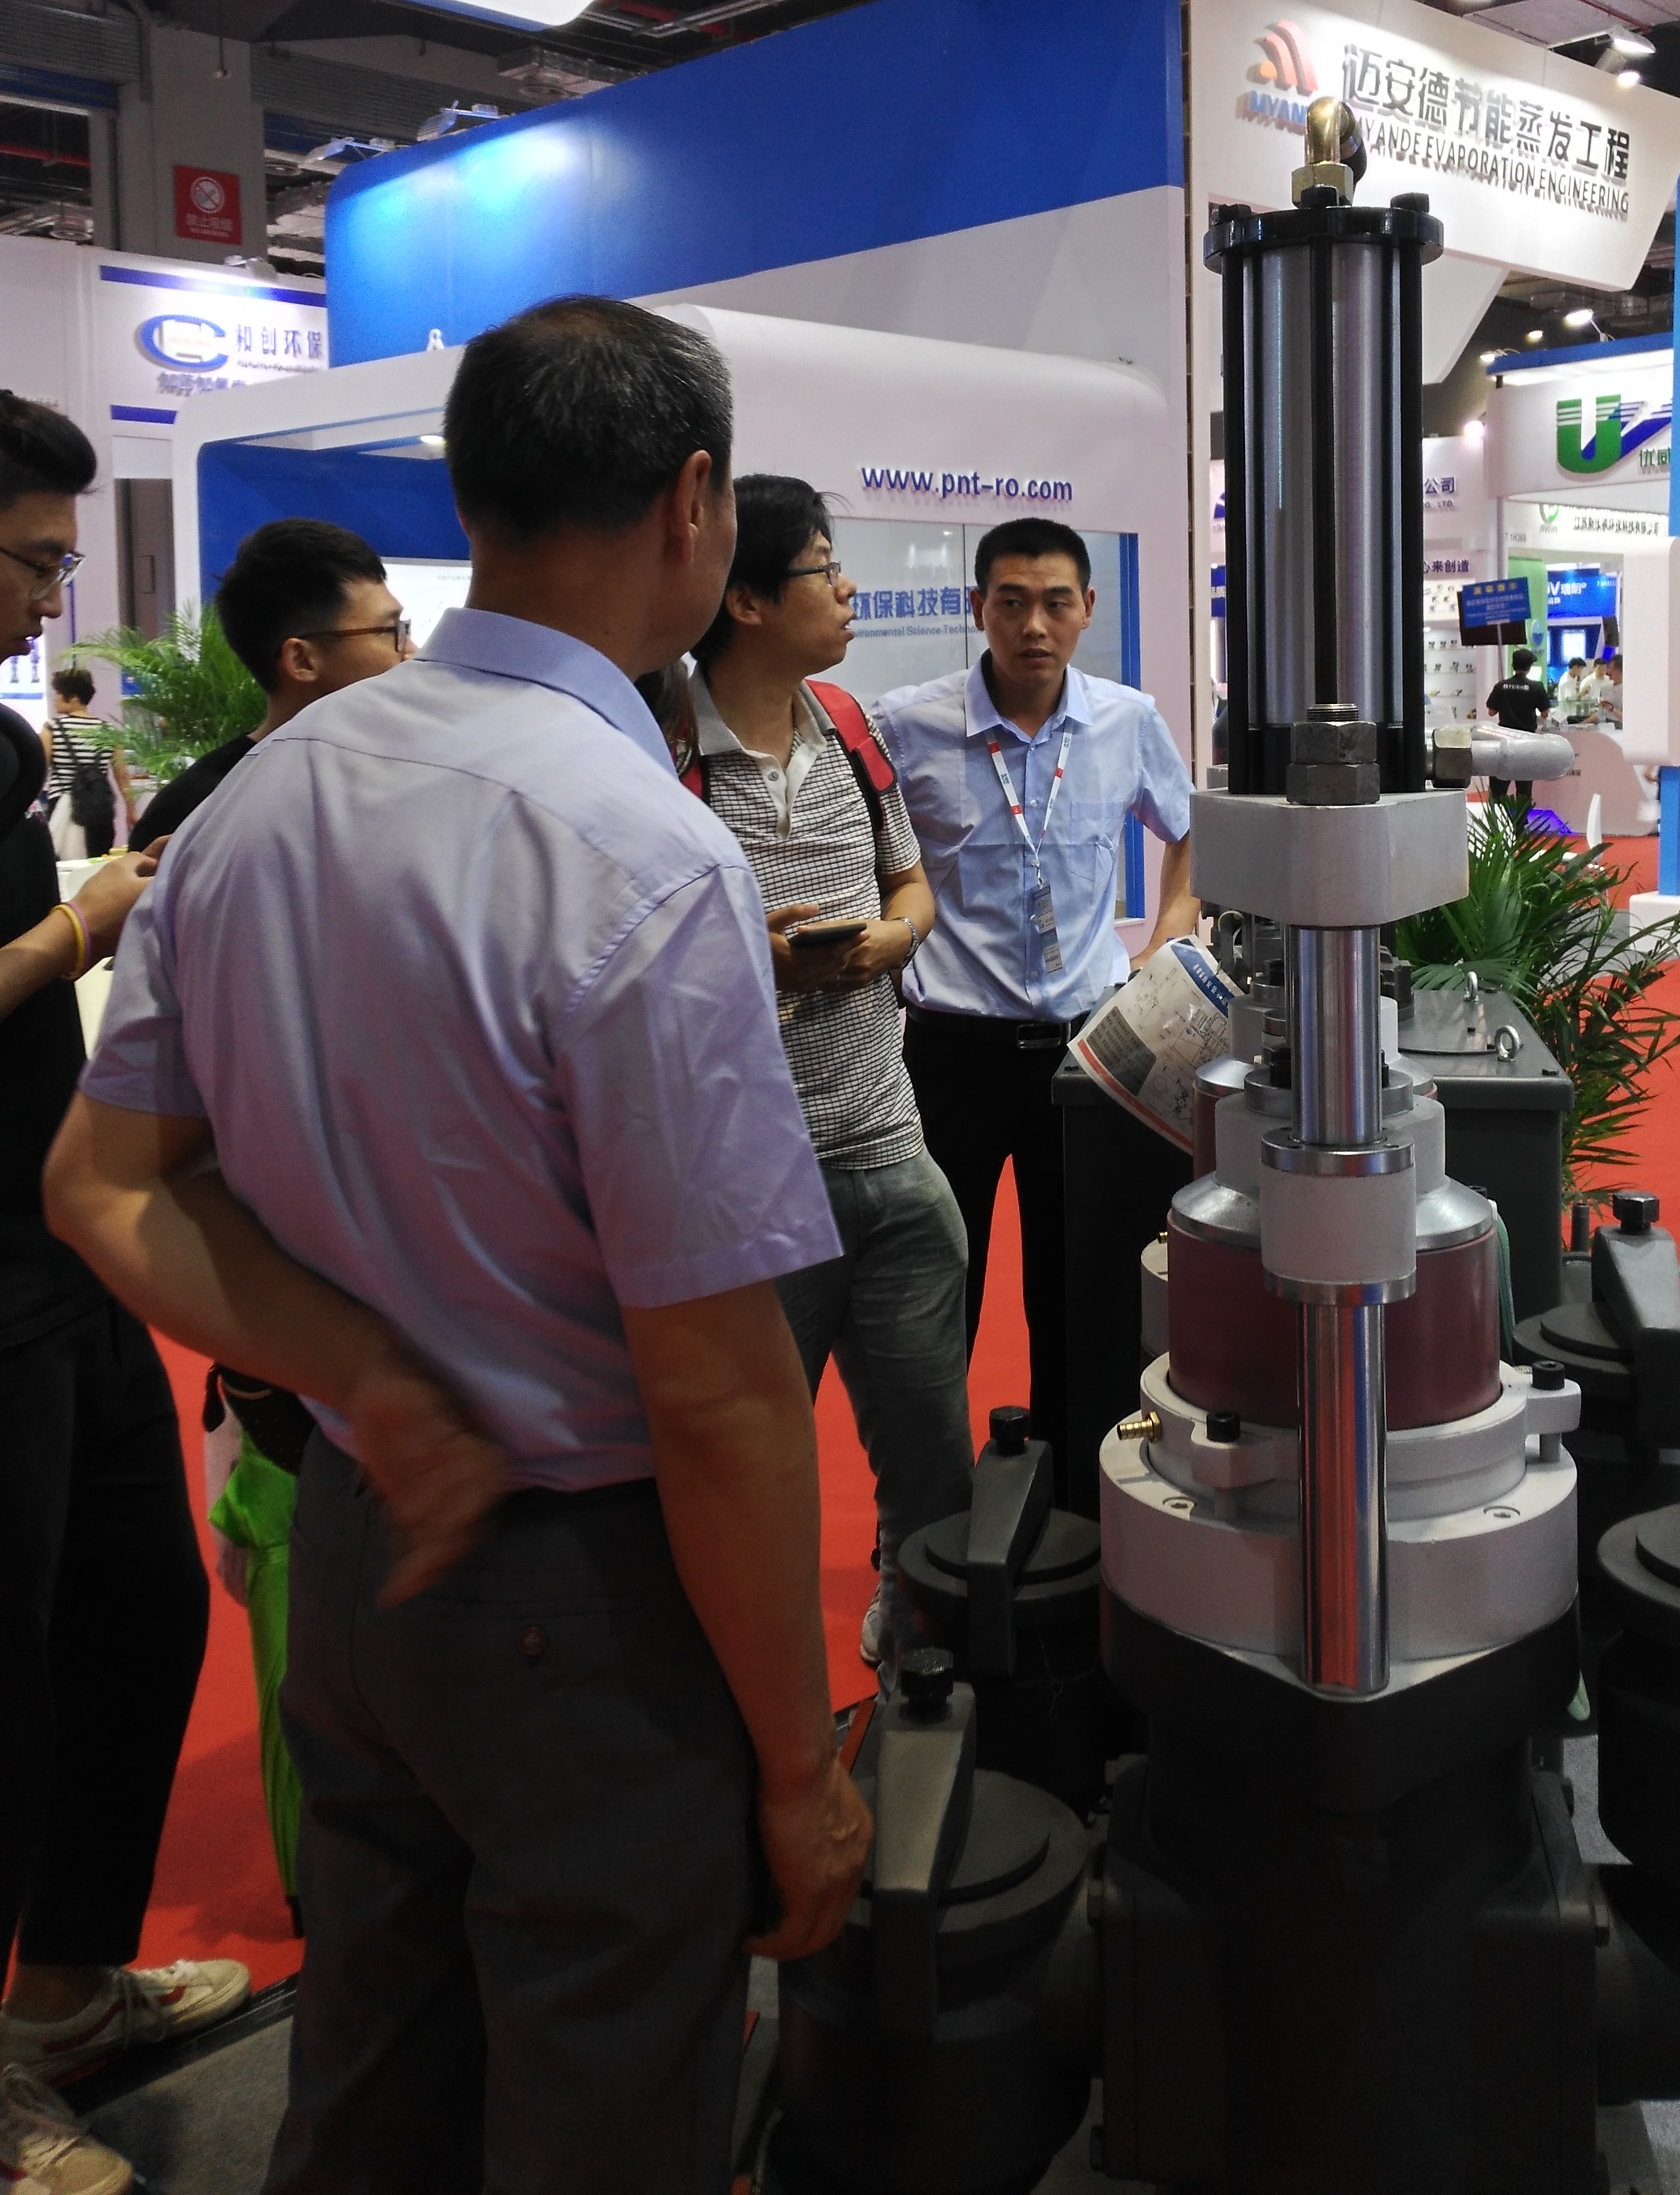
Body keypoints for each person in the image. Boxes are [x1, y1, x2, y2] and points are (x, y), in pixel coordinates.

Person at [45, 296, 870, 2195]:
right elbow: (720, 1392)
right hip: (582, 1605)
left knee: (373, 2083)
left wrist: (367, 1377)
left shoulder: (259, 799)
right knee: (606, 2108)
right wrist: (795, 1772)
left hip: (356, 1543)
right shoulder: (640, 852)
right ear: (691, 503)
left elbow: (104, 1186)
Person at [0, 393, 250, 2195]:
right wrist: (81, 925)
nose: (51, 596)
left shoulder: (10, 740)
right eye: (32, 561)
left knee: (140, 1620)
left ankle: (67, 1987)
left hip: (60, 1257)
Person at [137, 522, 414, 1922]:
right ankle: (339, 1914)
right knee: (317, 1633)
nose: (411, 658)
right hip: (287, 1309)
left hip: (409, 1277)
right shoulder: (204, 823)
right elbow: (160, 1125)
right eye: (388, 635)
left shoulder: (398, 788)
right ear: (303, 658)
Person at [689, 476, 971, 1678]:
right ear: (747, 600)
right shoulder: (662, 751)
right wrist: (748, 961)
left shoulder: (847, 723)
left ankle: (923, 1656)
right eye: (822, 568)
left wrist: (891, 940)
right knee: (750, 1472)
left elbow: (911, 884)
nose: (849, 589)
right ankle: (756, 1700)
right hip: (749, 1190)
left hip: (892, 1153)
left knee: (933, 1458)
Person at [876, 517, 1196, 1484]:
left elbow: (1191, 831)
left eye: (1056, 602)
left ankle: (1076, 1505)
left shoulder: (1126, 719)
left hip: (1087, 1054)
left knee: (1080, 1290)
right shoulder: (906, 724)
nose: (1033, 626)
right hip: (951, 1055)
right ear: (978, 607)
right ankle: (928, 1514)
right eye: (1010, 603)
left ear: (1088, 609)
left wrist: (1168, 937)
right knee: (939, 1291)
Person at [129, 522, 413, 849]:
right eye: (390, 631)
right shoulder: (198, 811)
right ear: (302, 660)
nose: (411, 651)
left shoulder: (397, 779)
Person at [43, 668, 134, 857]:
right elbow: (122, 775)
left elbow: (40, 769)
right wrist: (131, 809)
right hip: (99, 809)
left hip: (63, 808)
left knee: (61, 862)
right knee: (97, 859)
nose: (55, 699)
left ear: (74, 698)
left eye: (59, 694)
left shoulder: (52, 727)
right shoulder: (108, 731)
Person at [1484, 646, 1552, 815]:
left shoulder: (1501, 686)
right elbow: (1545, 713)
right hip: (1526, 742)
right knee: (1524, 788)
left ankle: (1497, 821)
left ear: (1513, 665)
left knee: (1499, 785)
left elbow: (1491, 711)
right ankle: (1520, 823)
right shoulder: (1536, 687)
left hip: (1504, 741)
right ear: (1529, 667)